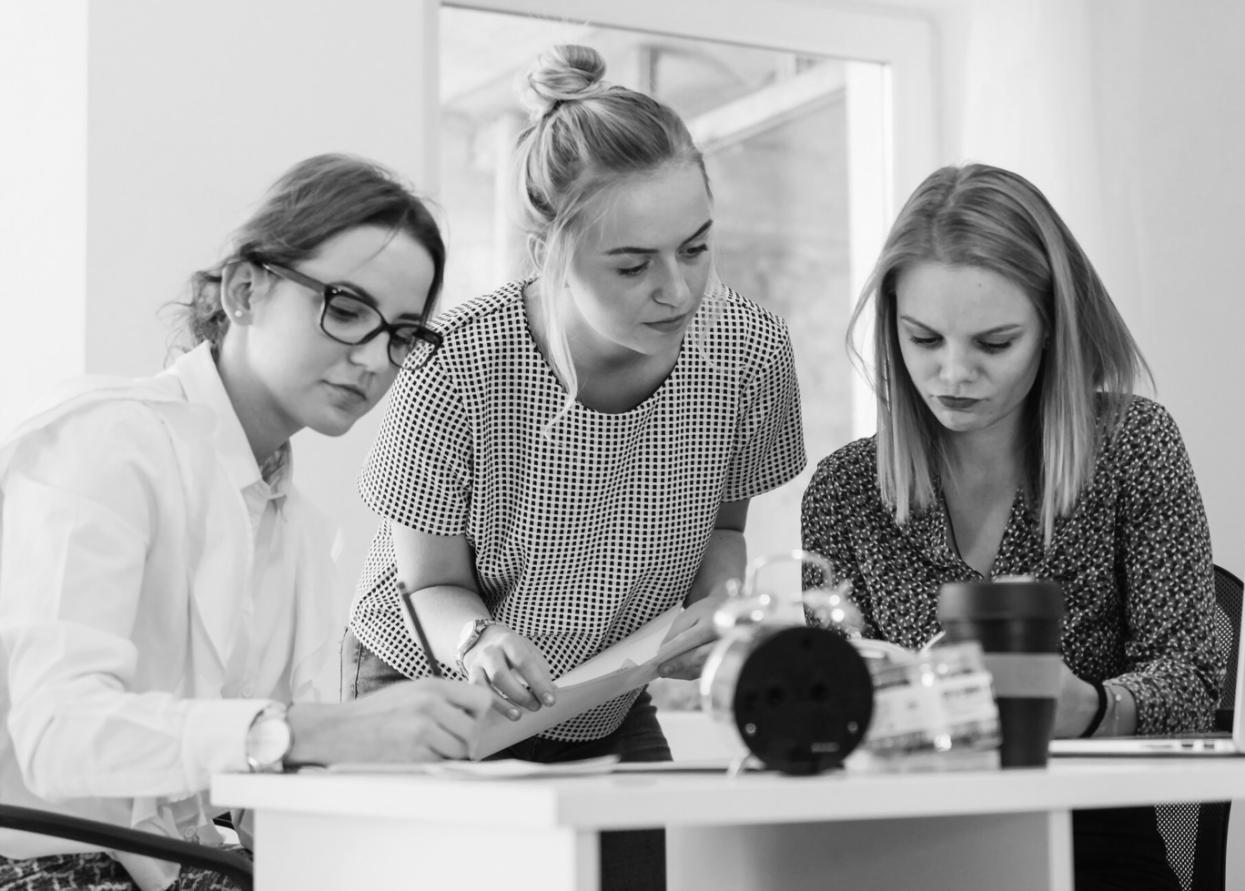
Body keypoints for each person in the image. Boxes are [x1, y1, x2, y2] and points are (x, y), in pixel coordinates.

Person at [343, 45, 806, 890]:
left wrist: (720, 607)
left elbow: (724, 528)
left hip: (603, 693)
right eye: (631, 265)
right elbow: (430, 585)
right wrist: (481, 643)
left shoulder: (748, 352)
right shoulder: (457, 364)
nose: (677, 289)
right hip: (435, 685)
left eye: (696, 248)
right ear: (543, 247)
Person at [0, 154, 495, 891]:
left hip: (190, 869)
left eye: (400, 335)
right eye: (347, 308)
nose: (370, 360)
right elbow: (59, 735)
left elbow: (282, 800)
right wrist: (313, 731)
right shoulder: (107, 443)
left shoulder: (296, 528)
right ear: (244, 290)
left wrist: (420, 778)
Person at [801, 163, 1222, 890]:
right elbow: (828, 713)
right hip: (901, 848)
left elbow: (1190, 676)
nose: (952, 373)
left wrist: (1090, 708)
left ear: (1052, 331)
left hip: (1091, 837)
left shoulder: (1133, 445)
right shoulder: (843, 491)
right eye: (923, 338)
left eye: (993, 343)